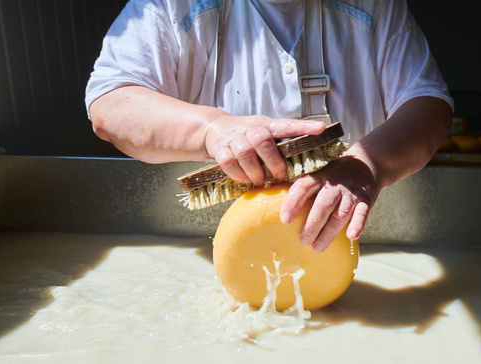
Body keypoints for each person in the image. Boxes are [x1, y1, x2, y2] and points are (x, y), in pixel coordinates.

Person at [86, 0, 453, 252]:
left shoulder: (377, 5)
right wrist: (212, 129)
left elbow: (428, 103)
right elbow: (111, 104)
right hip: (215, 250)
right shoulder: (170, 5)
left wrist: (368, 165)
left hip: (361, 245)